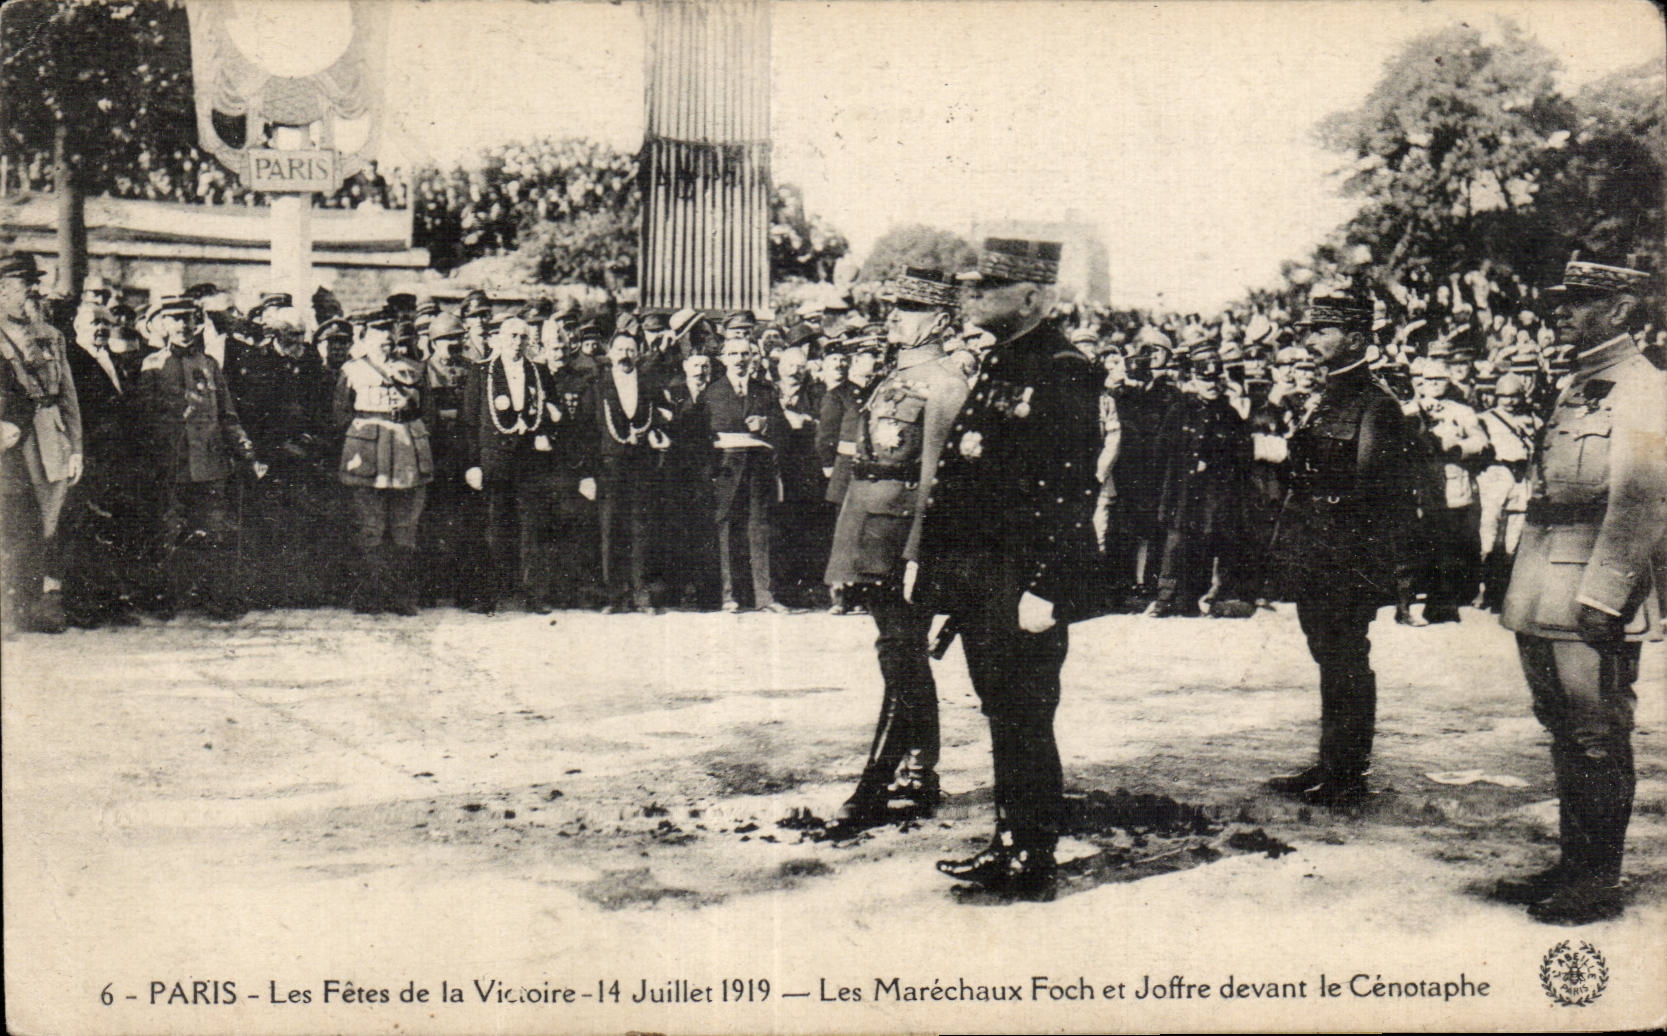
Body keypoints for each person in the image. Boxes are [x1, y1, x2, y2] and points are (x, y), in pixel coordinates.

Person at [913, 239, 1103, 899]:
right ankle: (1009, 841)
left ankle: (1032, 856)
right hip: (982, 576)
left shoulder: (1062, 369)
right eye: (970, 288)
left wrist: (1048, 585)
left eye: (986, 288)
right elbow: (963, 477)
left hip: (1022, 576)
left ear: (1028, 297)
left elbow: (1072, 489)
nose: (971, 298)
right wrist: (942, 577)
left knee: (1025, 713)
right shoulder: (1003, 360)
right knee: (1003, 711)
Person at [1494, 253, 1666, 925]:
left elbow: (1642, 499)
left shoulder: (1642, 386)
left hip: (1591, 590)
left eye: (1576, 300)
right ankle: (1573, 863)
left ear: (1620, 309)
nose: (1559, 312)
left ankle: (1596, 881)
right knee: (1563, 728)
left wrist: (1605, 593)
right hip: (1543, 581)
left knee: (1596, 732)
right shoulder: (1579, 383)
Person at [823, 268, 969, 837]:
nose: (894, 316)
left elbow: (937, 479)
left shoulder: (945, 383)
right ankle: (918, 773)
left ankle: (876, 785)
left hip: (904, 540)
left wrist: (917, 554)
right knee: (898, 654)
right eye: (894, 306)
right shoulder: (894, 376)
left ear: (938, 320)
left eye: (908, 309)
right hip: (871, 531)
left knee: (902, 657)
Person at [1266, 285, 1418, 808]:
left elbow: (1375, 490)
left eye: (1323, 330)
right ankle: (1331, 761)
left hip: (1347, 556)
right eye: (1310, 330)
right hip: (1314, 551)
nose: (1310, 340)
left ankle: (1347, 772)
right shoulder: (1325, 396)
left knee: (1346, 657)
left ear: (1356, 338)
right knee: (1328, 654)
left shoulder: (1377, 404)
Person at [136, 294, 266, 620]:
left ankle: (214, 599)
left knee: (213, 529)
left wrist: (245, 449)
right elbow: (143, 418)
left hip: (210, 462)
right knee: (170, 529)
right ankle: (169, 597)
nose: (182, 326)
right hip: (172, 463)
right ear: (163, 325)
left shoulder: (209, 365)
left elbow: (227, 415)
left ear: (197, 323)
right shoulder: (152, 365)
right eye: (175, 319)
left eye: (188, 319)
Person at [0, 251, 83, 634]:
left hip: (52, 436)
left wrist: (77, 447)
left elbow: (67, 395)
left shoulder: (52, 336)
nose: (35, 290)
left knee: (50, 521)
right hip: (14, 440)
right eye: (25, 283)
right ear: (2, 290)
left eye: (35, 282)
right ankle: (16, 604)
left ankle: (40, 602)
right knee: (17, 522)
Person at [333, 308, 434, 615]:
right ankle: (370, 595)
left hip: (406, 452)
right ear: (364, 339)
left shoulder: (414, 369)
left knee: (406, 526)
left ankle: (403, 597)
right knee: (370, 526)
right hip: (367, 454)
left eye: (389, 338)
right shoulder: (352, 371)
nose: (385, 344)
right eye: (378, 338)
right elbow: (339, 414)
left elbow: (428, 413)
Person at [705, 331, 791, 613]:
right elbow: (701, 435)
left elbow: (783, 430)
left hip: (758, 468)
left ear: (753, 357)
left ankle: (765, 596)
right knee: (727, 530)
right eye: (733, 354)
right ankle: (728, 596)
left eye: (745, 354)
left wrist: (766, 424)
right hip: (726, 468)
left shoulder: (765, 391)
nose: (739, 360)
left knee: (759, 529)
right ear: (723, 359)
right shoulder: (712, 392)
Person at [593, 328, 666, 613]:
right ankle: (614, 595)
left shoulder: (649, 382)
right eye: (620, 349)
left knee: (641, 530)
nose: (625, 355)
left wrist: (658, 431)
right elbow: (587, 431)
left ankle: (641, 594)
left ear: (638, 354)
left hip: (641, 467)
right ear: (610, 354)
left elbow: (661, 414)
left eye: (630, 350)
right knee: (611, 530)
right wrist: (588, 473)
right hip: (609, 468)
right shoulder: (598, 384)